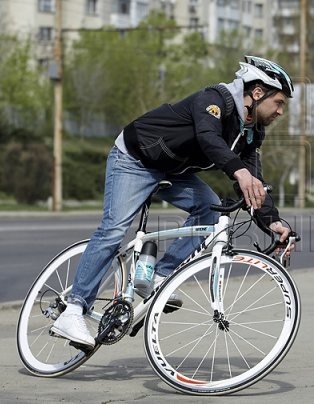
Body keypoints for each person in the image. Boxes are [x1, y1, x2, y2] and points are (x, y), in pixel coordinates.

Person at [50, 56, 296, 347]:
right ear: (257, 93)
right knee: (114, 229)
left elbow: (255, 184)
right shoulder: (214, 99)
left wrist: (274, 222)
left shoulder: (251, 133)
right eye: (279, 102)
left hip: (171, 170)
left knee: (209, 208)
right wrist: (239, 172)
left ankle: (158, 276)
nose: (281, 111)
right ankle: (74, 308)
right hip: (135, 159)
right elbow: (208, 137)